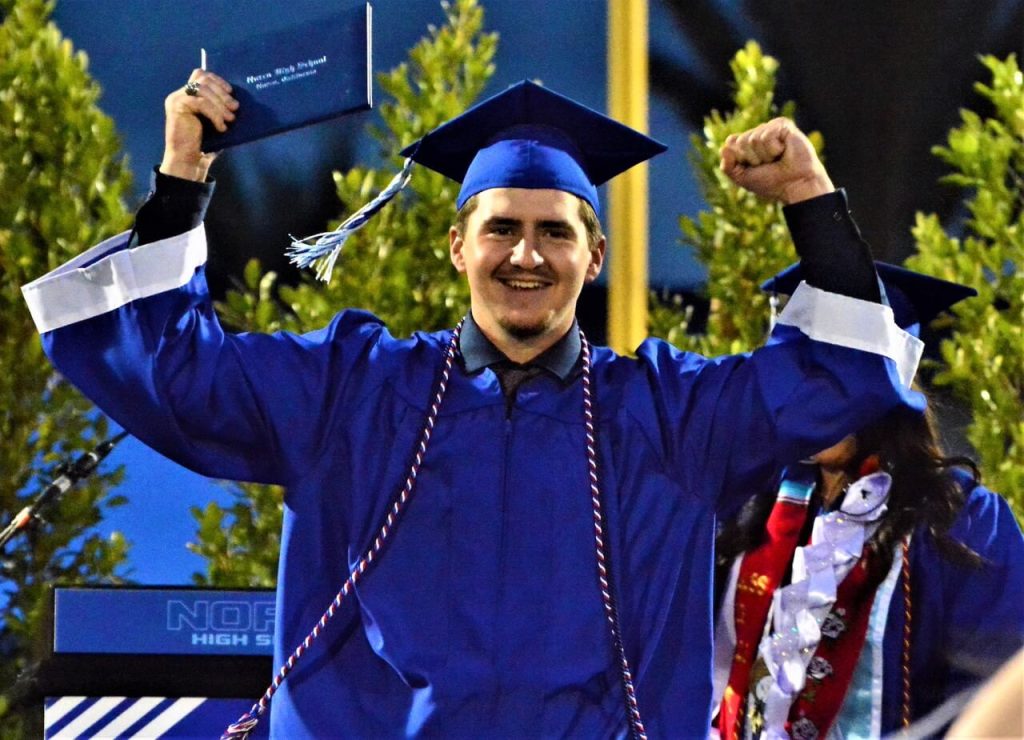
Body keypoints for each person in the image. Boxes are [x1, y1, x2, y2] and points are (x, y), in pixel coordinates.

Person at [22, 71, 923, 738]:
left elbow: (842, 374)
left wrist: (808, 200)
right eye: (501, 227)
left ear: (594, 255)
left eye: (552, 233)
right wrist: (183, 177)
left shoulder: (670, 416)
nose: (524, 255)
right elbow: (177, 375)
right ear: (458, 247)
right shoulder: (351, 390)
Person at [710, 264, 1024, 739]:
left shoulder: (961, 523)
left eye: (835, 380)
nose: (807, 401)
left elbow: (997, 700)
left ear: (889, 386)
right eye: (796, 375)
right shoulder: (755, 504)